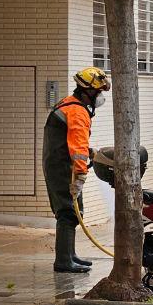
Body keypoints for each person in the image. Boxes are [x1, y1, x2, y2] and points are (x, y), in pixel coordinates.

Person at [43, 67, 110, 274]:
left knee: (72, 211)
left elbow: (72, 141)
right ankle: (63, 261)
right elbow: (77, 147)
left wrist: (89, 152)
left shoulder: (69, 105)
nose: (100, 97)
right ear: (87, 91)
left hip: (59, 163)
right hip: (64, 168)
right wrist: (80, 174)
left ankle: (69, 255)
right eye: (98, 92)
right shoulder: (78, 112)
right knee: (68, 213)